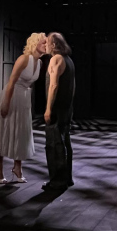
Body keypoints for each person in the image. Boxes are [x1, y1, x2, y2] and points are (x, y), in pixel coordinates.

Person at [0, 32, 47, 184]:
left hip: (24, 98)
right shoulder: (23, 59)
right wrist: (5, 104)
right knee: (4, 130)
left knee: (21, 132)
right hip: (12, 95)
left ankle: (17, 168)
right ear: (35, 43)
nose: (46, 45)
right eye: (43, 42)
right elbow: (12, 82)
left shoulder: (40, 63)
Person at [42, 32, 76, 191]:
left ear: (54, 45)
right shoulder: (69, 60)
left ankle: (57, 181)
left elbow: (53, 85)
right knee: (65, 142)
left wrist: (48, 108)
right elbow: (73, 86)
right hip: (66, 108)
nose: (45, 45)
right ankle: (67, 178)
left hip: (57, 108)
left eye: (47, 43)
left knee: (54, 144)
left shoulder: (56, 59)